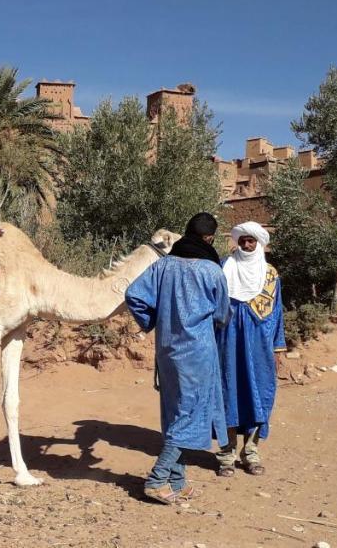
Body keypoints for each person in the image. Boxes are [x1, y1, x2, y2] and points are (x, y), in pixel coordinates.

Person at [124, 212, 230, 504]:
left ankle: (177, 481)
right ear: (209, 239)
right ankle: (157, 480)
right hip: (198, 354)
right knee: (190, 416)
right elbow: (222, 314)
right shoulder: (212, 271)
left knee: (175, 414)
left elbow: (133, 294)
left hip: (167, 353)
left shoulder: (163, 266)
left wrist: (154, 320)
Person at [216, 221, 285, 476]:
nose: (246, 244)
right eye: (243, 240)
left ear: (259, 243)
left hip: (259, 344)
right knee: (228, 393)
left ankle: (251, 452)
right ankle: (226, 454)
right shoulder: (224, 267)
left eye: (251, 241)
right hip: (227, 340)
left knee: (259, 393)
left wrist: (278, 348)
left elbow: (277, 312)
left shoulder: (270, 274)